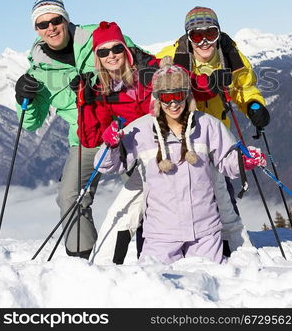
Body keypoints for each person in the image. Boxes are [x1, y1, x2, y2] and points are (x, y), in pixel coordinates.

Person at [74, 20, 221, 263]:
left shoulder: (150, 70)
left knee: (212, 200)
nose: (111, 55)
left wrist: (214, 82)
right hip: (145, 159)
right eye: (103, 51)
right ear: (97, 57)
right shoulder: (101, 89)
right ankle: (109, 268)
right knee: (123, 213)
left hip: (178, 148)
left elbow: (186, 85)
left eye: (117, 48)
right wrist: (85, 103)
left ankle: (232, 251)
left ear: (126, 49)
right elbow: (90, 138)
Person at [93, 60, 266, 264]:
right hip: (161, 235)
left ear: (188, 96)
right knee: (160, 289)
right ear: (157, 99)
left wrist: (244, 162)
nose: (173, 103)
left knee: (210, 288)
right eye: (166, 97)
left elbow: (227, 162)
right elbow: (106, 166)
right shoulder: (140, 130)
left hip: (205, 233)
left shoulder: (208, 125)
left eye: (179, 95)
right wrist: (111, 146)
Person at [14, 0, 141, 259]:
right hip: (85, 138)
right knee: (70, 196)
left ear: (65, 19)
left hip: (126, 129)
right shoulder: (39, 69)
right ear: (36, 29)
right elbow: (31, 123)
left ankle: (153, 248)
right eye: (43, 24)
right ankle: (82, 259)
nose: (51, 28)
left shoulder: (99, 37)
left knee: (148, 186)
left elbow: (136, 62)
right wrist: (22, 97)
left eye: (55, 21)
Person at [156, 6, 270, 255]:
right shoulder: (171, 56)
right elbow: (154, 87)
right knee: (184, 192)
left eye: (211, 33)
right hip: (182, 137)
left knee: (223, 193)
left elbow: (244, 88)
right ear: (188, 37)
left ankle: (231, 246)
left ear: (219, 33)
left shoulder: (231, 56)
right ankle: (181, 243)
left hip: (218, 134)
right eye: (197, 36)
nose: (205, 41)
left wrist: (253, 104)